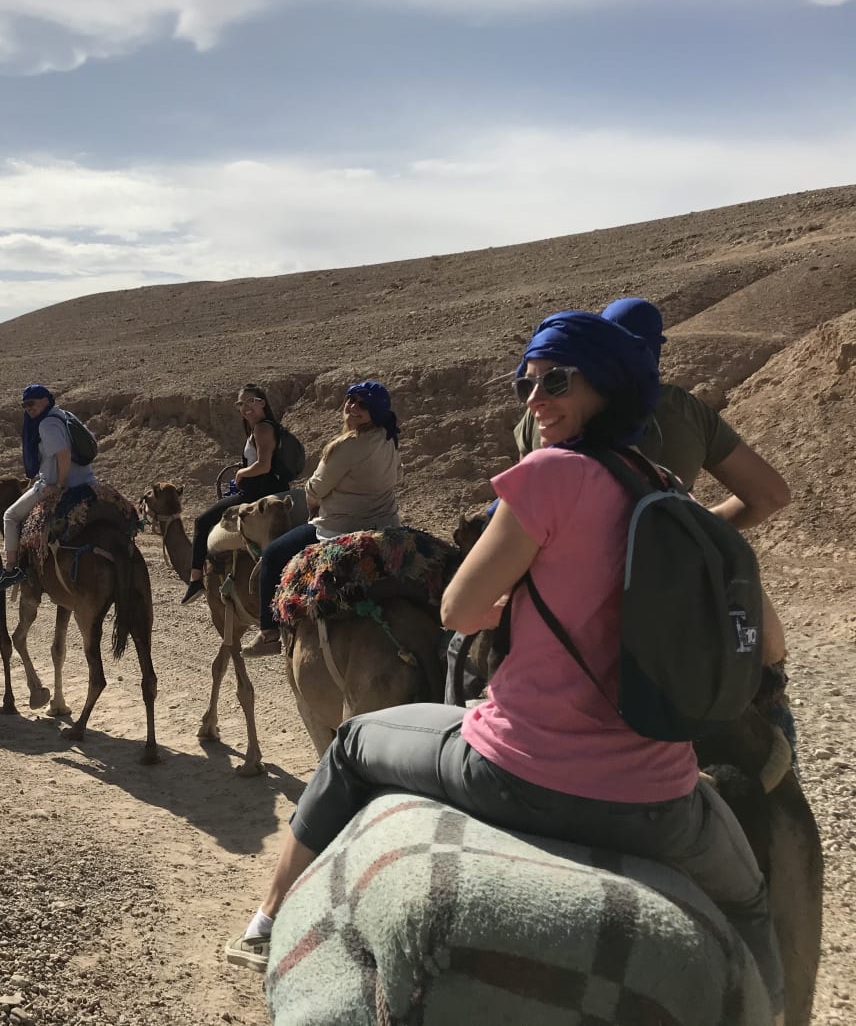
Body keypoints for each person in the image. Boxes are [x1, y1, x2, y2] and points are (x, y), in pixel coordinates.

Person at [228, 312, 785, 1022]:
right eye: (526, 384)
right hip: (660, 800)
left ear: (607, 386)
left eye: (555, 380)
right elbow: (757, 634)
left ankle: (268, 920)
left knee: (351, 747)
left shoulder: (548, 473)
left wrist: (515, 601)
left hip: (520, 772)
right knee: (753, 903)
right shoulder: (668, 486)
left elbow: (459, 610)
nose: (534, 399)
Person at [515, 297, 790, 529]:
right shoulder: (682, 409)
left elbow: (521, 511)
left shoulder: (547, 415)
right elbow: (770, 495)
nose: (534, 397)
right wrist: (695, 529)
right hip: (671, 578)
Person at [240, 381, 402, 656]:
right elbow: (397, 477)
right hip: (386, 526)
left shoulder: (346, 446)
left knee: (273, 555)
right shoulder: (389, 439)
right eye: (351, 400)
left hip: (339, 528)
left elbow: (314, 489)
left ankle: (268, 634)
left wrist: (317, 501)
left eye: (363, 404)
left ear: (376, 411)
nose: (353, 407)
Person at [180, 383, 292, 605]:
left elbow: (264, 465)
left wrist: (241, 473)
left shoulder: (262, 429)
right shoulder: (261, 428)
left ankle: (195, 580)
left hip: (255, 494)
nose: (245, 407)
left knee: (202, 522)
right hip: (266, 490)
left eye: (250, 401)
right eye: (241, 403)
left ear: (262, 403)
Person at [0, 384, 96, 592]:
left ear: (46, 401)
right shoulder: (63, 416)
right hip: (88, 480)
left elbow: (63, 454)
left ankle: (11, 568)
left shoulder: (46, 425)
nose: (28, 408)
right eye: (24, 405)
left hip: (56, 484)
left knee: (10, 516)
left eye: (32, 403)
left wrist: (59, 484)